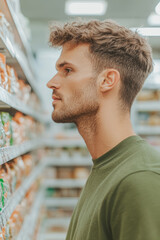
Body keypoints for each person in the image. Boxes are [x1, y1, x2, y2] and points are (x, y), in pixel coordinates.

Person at [47, 19, 160, 240]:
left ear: (107, 80)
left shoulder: (140, 180)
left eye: (67, 70)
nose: (51, 82)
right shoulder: (106, 165)